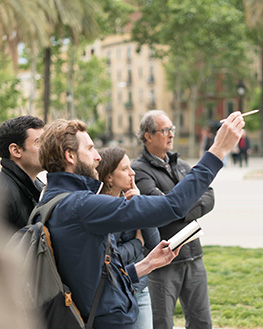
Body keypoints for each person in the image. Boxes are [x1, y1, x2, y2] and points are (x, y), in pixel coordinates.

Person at [37, 113, 244, 329]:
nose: (98, 157)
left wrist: (147, 264)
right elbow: (172, 206)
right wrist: (217, 150)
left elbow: (92, 275)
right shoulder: (81, 205)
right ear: (70, 156)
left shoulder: (50, 199)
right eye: (90, 149)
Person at [131, 110, 214, 329]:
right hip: (163, 261)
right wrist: (177, 205)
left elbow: (209, 196)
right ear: (148, 136)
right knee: (161, 323)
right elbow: (158, 208)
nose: (171, 135)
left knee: (202, 322)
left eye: (172, 130)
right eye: (165, 130)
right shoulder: (137, 171)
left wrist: (177, 207)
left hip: (194, 256)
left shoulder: (183, 165)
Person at [97, 147, 160, 329]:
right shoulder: (99, 209)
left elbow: (154, 242)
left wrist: (141, 206)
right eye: (125, 169)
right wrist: (137, 243)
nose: (132, 173)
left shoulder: (131, 201)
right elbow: (111, 256)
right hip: (112, 291)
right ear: (109, 176)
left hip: (139, 288)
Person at [0, 116, 45, 231]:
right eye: (39, 142)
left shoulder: (39, 188)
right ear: (15, 150)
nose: (47, 148)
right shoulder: (4, 195)